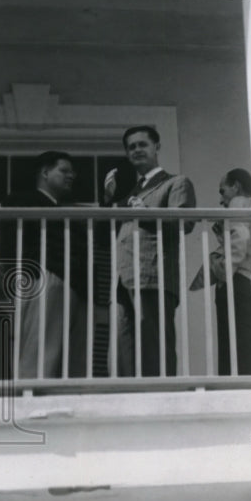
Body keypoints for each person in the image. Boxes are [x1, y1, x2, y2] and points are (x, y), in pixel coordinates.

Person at [103, 126, 196, 377]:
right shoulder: (130, 194)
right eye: (131, 147)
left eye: (142, 144)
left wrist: (147, 213)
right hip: (123, 279)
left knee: (154, 345)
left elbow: (185, 223)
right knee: (123, 348)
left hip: (154, 275)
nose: (136, 150)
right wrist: (108, 200)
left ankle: (162, 397)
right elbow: (109, 232)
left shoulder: (175, 182)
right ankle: (127, 402)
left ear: (156, 147)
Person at [0, 151, 88, 379]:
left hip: (71, 285)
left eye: (73, 172)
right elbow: (11, 241)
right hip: (45, 280)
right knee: (40, 350)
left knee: (66, 355)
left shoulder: (66, 208)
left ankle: (53, 401)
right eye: (64, 171)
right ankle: (29, 397)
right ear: (45, 172)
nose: (72, 176)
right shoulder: (23, 200)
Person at [190, 168, 251, 375]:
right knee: (246, 342)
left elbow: (239, 240)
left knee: (233, 344)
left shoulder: (238, 203)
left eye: (223, 191)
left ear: (236, 186)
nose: (221, 199)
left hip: (237, 281)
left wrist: (222, 272)